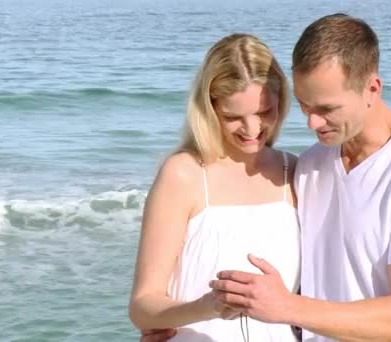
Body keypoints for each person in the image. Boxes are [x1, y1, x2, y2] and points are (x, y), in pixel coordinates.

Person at [142, 13, 391, 342]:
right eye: (303, 105)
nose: (312, 123)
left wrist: (285, 307)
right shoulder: (311, 165)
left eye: (326, 109)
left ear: (372, 88)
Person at [128, 33, 301, 341]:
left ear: (282, 100)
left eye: (265, 112)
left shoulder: (296, 173)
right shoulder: (183, 174)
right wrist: (206, 307)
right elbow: (143, 307)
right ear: (209, 108)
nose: (252, 130)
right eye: (233, 116)